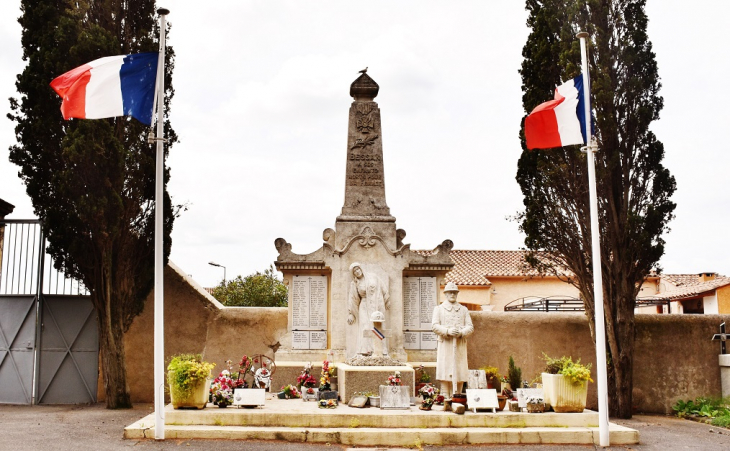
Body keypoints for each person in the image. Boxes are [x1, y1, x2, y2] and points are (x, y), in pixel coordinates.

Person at [432, 282, 474, 397]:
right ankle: (445, 394)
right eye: (450, 292)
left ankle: (458, 394)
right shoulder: (439, 309)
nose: (452, 294)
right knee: (445, 367)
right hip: (446, 343)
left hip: (459, 344)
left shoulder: (463, 310)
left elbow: (470, 327)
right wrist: (447, 331)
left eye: (454, 292)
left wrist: (461, 332)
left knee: (459, 369)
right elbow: (434, 326)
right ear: (445, 294)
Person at [347, 262, 389, 355]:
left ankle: (379, 350)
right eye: (354, 271)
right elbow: (353, 298)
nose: (357, 272)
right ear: (353, 274)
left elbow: (382, 288)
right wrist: (351, 313)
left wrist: (386, 300)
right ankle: (365, 350)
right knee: (365, 326)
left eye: (358, 269)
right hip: (364, 306)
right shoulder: (354, 283)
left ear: (361, 268)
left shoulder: (373, 277)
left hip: (376, 304)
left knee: (377, 326)